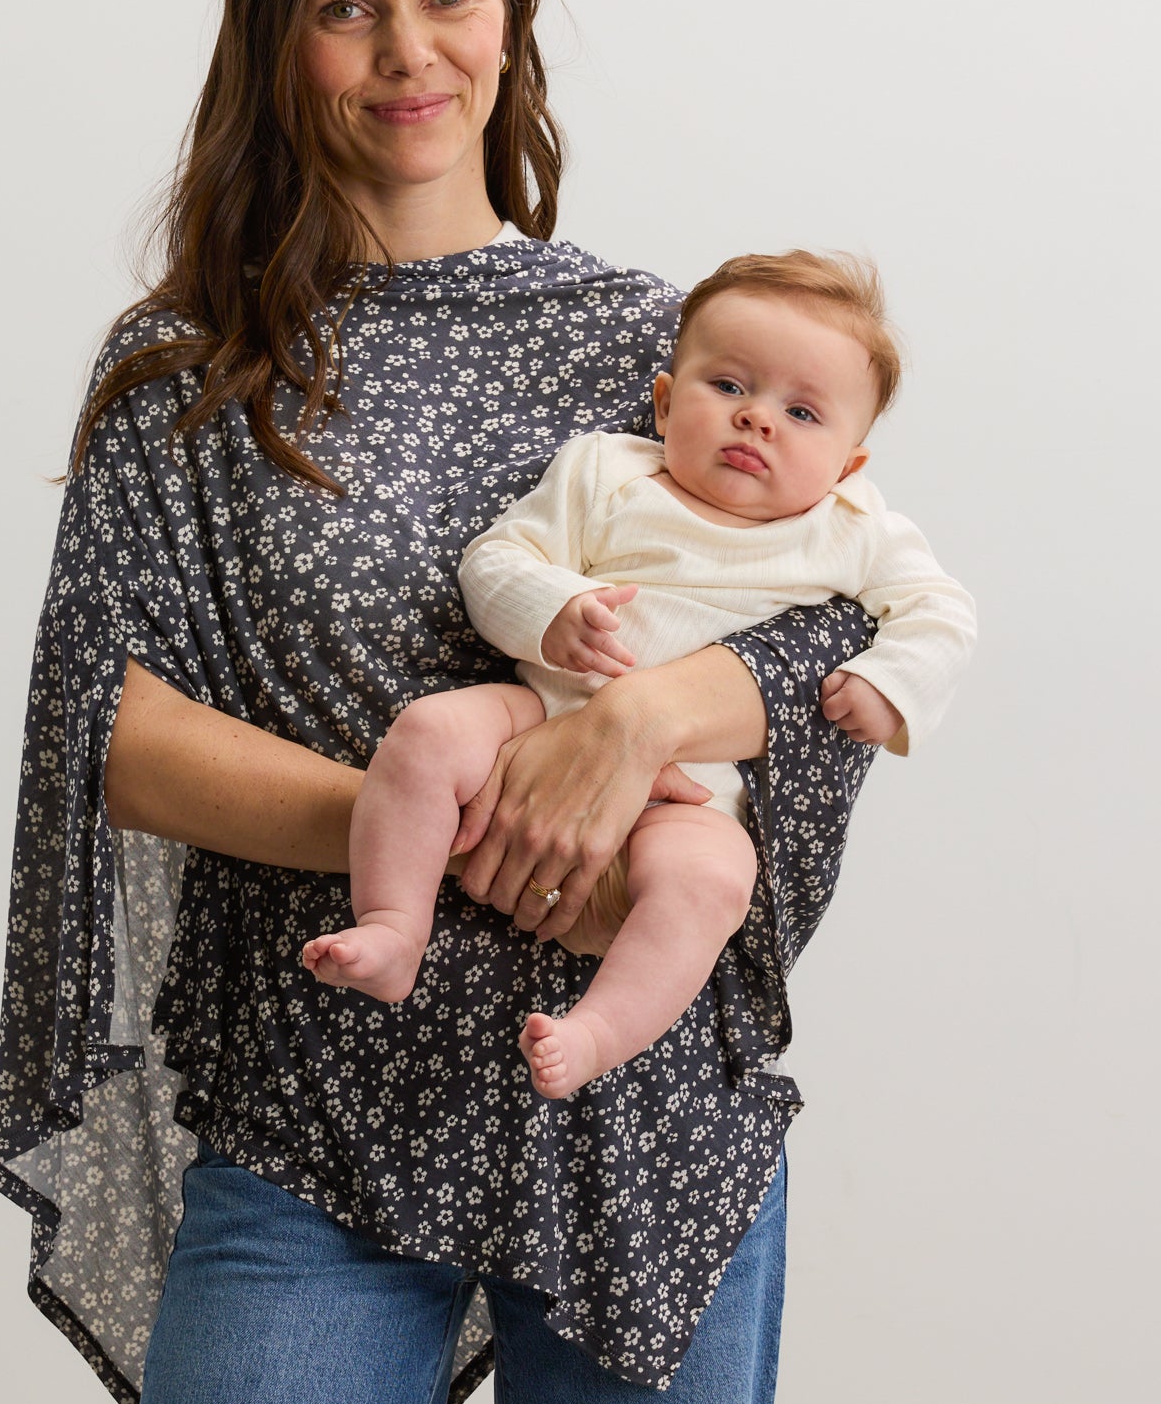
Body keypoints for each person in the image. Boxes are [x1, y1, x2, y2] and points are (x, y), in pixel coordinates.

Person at [0, 0, 894, 1404]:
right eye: (345, 8)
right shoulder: (191, 371)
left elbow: (831, 643)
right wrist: (456, 826)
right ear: (274, 38)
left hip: (644, 1118)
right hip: (317, 1102)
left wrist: (642, 720)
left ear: (514, 7)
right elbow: (110, 729)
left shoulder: (667, 344)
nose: (410, 54)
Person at [303, 250, 977, 1099]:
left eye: (802, 411)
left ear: (847, 466)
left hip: (693, 789)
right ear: (664, 401)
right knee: (429, 733)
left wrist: (891, 683)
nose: (757, 420)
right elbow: (499, 559)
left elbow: (941, 612)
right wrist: (552, 608)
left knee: (712, 883)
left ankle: (598, 1031)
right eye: (729, 387)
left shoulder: (851, 527)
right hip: (538, 716)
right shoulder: (606, 471)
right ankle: (395, 928)